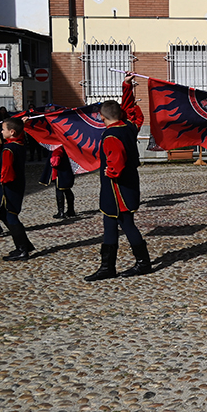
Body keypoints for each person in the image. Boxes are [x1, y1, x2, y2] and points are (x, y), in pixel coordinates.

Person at [85, 74, 151, 281]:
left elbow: (118, 161)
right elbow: (131, 109)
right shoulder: (129, 126)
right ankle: (107, 267)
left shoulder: (111, 135)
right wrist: (127, 86)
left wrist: (110, 171)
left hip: (117, 187)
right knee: (109, 223)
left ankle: (143, 263)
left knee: (127, 223)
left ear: (101, 117)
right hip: (122, 186)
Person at [0, 117, 36, 262]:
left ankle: (22, 249)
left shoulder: (9, 149)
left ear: (11, 132)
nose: (1, 132)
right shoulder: (17, 143)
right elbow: (19, 134)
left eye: (3, 129)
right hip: (18, 183)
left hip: (11, 185)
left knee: (11, 215)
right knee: (3, 214)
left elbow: (7, 171)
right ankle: (25, 244)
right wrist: (22, 124)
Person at [40, 140, 77, 220]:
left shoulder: (58, 147)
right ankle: (71, 210)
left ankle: (61, 212)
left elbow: (55, 161)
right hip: (68, 170)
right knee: (67, 190)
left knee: (60, 191)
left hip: (60, 172)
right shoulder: (68, 144)